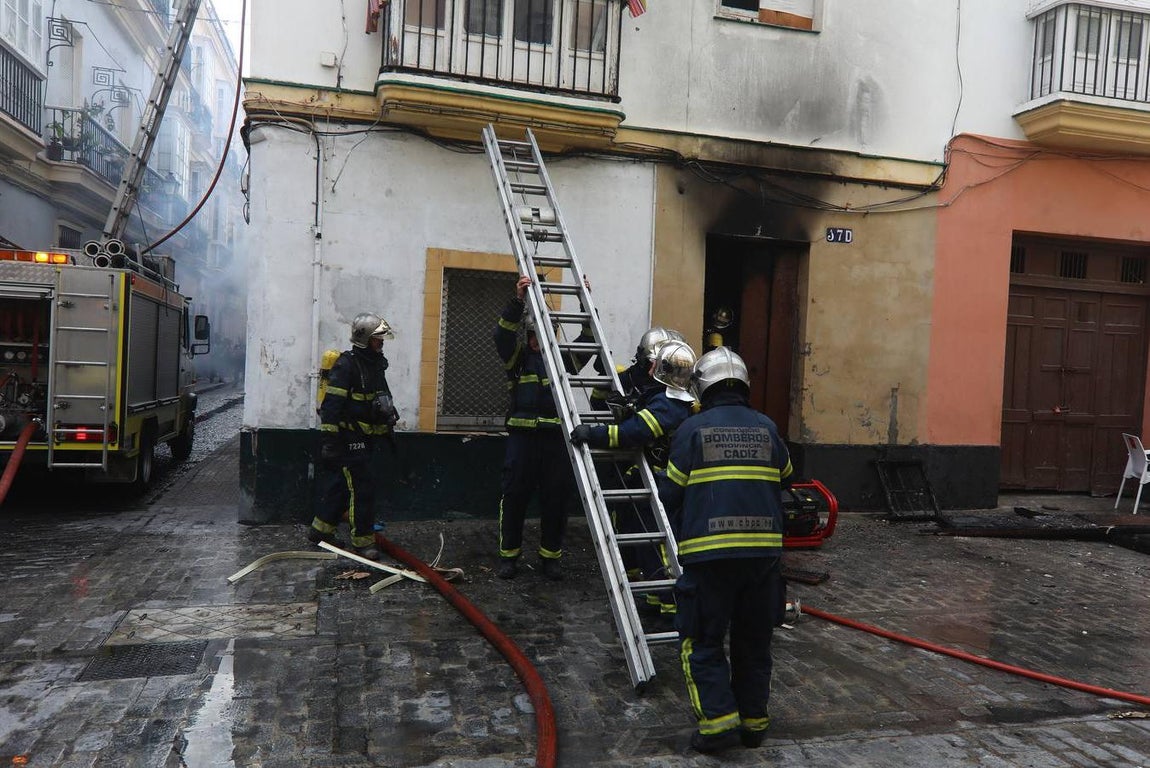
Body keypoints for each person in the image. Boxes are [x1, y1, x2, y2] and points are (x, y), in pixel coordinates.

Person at [658, 347, 793, 754]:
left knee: (701, 642)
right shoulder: (766, 427)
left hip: (709, 560)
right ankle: (754, 725)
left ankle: (717, 728)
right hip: (763, 562)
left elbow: (670, 493)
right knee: (754, 643)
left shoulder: (692, 430)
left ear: (704, 387)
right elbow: (785, 478)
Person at [571, 334, 697, 612]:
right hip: (657, 479)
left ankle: (670, 603)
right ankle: (656, 598)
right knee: (648, 542)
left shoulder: (668, 405)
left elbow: (634, 433)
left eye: (655, 365)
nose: (649, 368)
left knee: (660, 544)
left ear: (663, 370)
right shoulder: (673, 399)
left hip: (662, 482)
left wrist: (591, 434)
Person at [493, 275, 586, 581]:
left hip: (555, 441)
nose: (536, 341)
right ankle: (509, 558)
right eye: (533, 335)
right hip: (522, 440)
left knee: (555, 500)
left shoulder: (562, 362)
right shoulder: (518, 359)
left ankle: (550, 558)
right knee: (514, 497)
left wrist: (584, 299)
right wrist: (516, 301)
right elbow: (502, 337)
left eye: (542, 336)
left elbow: (587, 346)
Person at [308, 312, 398, 561]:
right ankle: (362, 542)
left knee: (340, 486)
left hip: (366, 437)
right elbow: (331, 407)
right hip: (348, 440)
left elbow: (381, 395)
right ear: (365, 339)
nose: (382, 343)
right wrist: (329, 443)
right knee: (362, 488)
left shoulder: (375, 364)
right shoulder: (347, 365)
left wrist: (390, 412)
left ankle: (320, 531)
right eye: (378, 339)